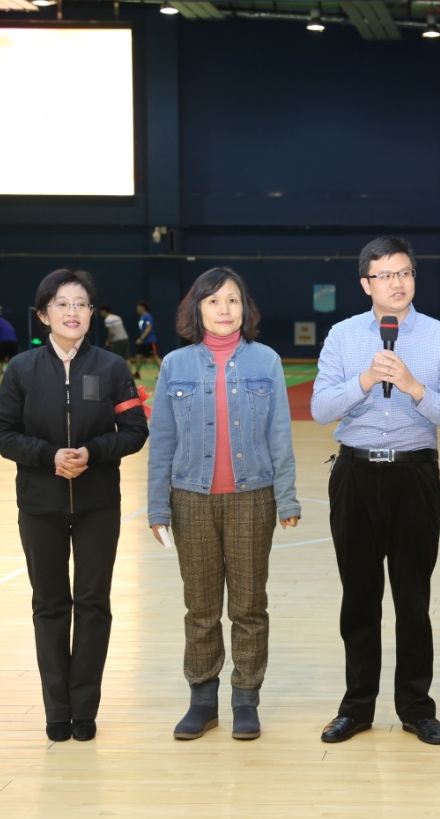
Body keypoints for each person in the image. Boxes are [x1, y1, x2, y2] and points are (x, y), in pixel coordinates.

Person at [310, 235, 440, 746]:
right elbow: (320, 409)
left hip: (414, 476)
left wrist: (414, 387)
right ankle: (357, 707)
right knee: (359, 598)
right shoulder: (342, 335)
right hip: (355, 474)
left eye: (404, 272)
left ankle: (416, 708)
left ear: (413, 277)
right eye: (384, 275)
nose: (396, 283)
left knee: (413, 598)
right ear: (366, 284)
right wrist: (363, 380)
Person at [0, 269, 148, 743]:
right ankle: (57, 711)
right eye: (62, 303)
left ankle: (85, 711)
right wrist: (49, 456)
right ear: (44, 315)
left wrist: (92, 452)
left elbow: (135, 432)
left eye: (81, 303)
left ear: (92, 313)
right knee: (50, 605)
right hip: (40, 506)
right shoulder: (22, 369)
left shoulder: (112, 368)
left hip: (99, 505)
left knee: (94, 605)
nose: (72, 311)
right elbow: (2, 432)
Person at [148, 267, 301, 742]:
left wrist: (286, 497)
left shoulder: (266, 361)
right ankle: (202, 700)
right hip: (189, 500)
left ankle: (245, 699)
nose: (224, 309)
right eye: (213, 301)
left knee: (249, 606)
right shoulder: (175, 365)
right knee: (201, 607)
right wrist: (157, 507)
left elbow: (280, 434)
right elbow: (162, 440)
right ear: (197, 309)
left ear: (245, 308)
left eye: (233, 300)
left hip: (252, 499)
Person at [133, 300, 161, 378]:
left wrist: (141, 338)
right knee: (139, 356)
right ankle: (137, 373)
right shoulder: (141, 317)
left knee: (155, 357)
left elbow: (149, 328)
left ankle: (164, 374)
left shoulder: (148, 316)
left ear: (143, 308)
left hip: (150, 341)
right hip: (143, 342)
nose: (137, 309)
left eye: (138, 307)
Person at [0, 313, 19, 387]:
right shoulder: (6, 322)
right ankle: (15, 384)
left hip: (3, 342)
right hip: (14, 342)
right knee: (14, 362)